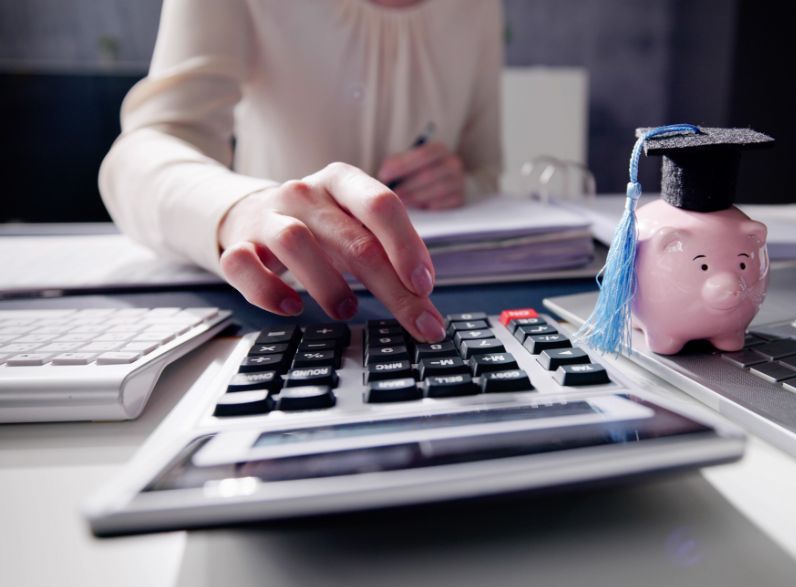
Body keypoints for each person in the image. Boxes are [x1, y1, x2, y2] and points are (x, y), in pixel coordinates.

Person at [99, 0, 504, 343]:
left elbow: (485, 170)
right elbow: (137, 156)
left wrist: (457, 181)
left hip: (454, 293)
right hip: (276, 304)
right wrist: (241, 208)